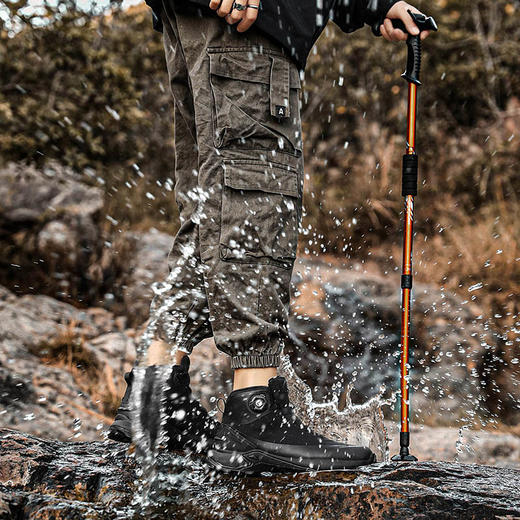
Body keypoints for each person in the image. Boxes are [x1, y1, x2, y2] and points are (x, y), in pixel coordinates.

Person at [108, 0, 431, 473]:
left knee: (214, 208)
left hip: (206, 21)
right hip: (244, 27)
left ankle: (156, 396)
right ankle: (253, 411)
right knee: (256, 196)